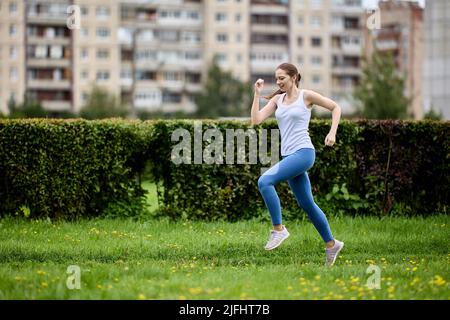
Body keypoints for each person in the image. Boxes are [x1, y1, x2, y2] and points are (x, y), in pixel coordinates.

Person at [251, 62, 344, 266]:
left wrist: (332, 132)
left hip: (303, 153)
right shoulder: (277, 99)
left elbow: (335, 107)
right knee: (307, 204)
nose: (278, 82)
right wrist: (257, 95)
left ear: (294, 77)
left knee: (264, 181)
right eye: (276, 79)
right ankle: (331, 244)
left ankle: (278, 229)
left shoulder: (306, 96)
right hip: (288, 156)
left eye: (282, 78)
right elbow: (256, 120)